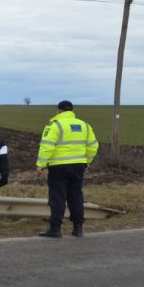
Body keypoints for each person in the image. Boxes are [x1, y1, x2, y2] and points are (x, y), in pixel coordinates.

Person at [36, 100, 99, 238]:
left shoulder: (55, 125)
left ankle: (55, 229)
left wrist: (41, 165)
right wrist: (87, 161)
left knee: (58, 196)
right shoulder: (85, 125)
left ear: (58, 110)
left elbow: (47, 146)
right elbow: (93, 146)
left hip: (58, 167)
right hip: (78, 166)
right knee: (76, 196)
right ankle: (78, 229)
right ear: (71, 111)